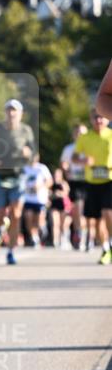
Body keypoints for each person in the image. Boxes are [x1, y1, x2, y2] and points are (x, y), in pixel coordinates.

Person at [0, 99, 35, 265]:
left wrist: (29, 153)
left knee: (16, 214)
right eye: (9, 110)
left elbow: (34, 153)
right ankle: (0, 226)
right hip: (0, 176)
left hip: (18, 176)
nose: (11, 113)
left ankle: (11, 251)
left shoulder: (26, 131)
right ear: (5, 112)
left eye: (15, 111)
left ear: (20, 114)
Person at [73, 108, 112, 265]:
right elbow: (74, 157)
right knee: (96, 220)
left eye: (102, 117)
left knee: (108, 212)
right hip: (91, 182)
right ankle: (105, 249)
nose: (99, 120)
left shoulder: (111, 135)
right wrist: (83, 161)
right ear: (91, 119)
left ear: (108, 119)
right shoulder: (85, 137)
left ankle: (111, 242)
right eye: (96, 117)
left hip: (109, 180)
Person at [60, 123, 88, 250]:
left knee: (89, 212)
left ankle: (89, 235)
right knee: (77, 210)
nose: (79, 135)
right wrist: (66, 169)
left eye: (82, 133)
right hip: (75, 183)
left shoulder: (90, 148)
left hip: (89, 181)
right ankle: (80, 234)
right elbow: (64, 163)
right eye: (77, 133)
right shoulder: (69, 149)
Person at [20, 152, 53, 247]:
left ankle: (42, 228)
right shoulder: (25, 168)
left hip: (39, 199)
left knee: (38, 220)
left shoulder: (42, 168)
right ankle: (34, 237)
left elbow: (50, 181)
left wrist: (40, 186)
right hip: (28, 198)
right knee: (28, 217)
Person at [49, 167, 71, 249]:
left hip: (63, 206)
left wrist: (59, 194)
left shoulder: (64, 183)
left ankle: (64, 239)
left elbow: (66, 193)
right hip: (54, 205)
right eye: (55, 174)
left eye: (58, 174)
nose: (56, 176)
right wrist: (53, 195)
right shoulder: (51, 183)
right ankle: (55, 241)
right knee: (55, 223)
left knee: (63, 224)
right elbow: (48, 194)